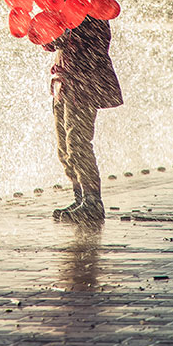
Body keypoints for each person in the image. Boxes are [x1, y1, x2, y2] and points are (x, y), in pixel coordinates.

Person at [43, 14, 123, 224]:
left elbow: (97, 42)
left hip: (84, 82)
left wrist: (64, 33)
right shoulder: (61, 3)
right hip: (64, 81)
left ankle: (92, 201)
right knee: (64, 148)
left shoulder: (92, 7)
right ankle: (80, 197)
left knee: (77, 142)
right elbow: (53, 43)